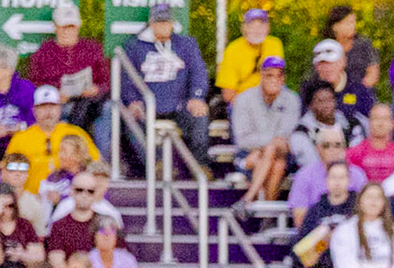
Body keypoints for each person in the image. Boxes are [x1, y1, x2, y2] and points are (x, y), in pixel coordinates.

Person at [106, 5, 209, 168]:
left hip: (179, 105)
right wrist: (133, 101)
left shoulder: (186, 45)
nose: (163, 26)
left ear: (172, 24)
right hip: (147, 107)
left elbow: (198, 72)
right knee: (132, 121)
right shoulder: (133, 47)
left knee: (199, 115)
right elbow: (126, 78)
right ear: (151, 24)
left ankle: (201, 167)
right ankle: (156, 166)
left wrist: (196, 97)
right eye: (158, 22)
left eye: (166, 22)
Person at [26, 3, 107, 130]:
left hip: (87, 103)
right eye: (63, 27)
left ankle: (103, 150)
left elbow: (106, 82)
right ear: (55, 27)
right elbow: (33, 84)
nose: (67, 31)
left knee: (107, 109)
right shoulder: (43, 53)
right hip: (56, 104)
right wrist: (54, 95)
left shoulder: (92, 49)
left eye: (71, 27)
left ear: (78, 27)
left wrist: (95, 90)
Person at [229, 56, 298, 203]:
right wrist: (268, 145)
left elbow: (285, 137)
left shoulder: (292, 99)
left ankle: (248, 200)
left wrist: (265, 147)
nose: (274, 80)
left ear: (283, 78)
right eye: (269, 75)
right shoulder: (243, 99)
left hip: (280, 153)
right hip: (249, 154)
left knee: (274, 154)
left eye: (279, 75)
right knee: (277, 164)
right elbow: (242, 139)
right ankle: (268, 217)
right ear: (261, 76)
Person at [7, 84, 95, 195]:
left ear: (60, 108)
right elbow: (7, 172)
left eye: (52, 106)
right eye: (43, 107)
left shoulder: (76, 133)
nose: (48, 111)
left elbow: (95, 165)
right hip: (30, 199)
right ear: (34, 110)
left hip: (70, 198)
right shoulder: (20, 138)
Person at [214, 6, 281, 104]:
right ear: (244, 28)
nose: (257, 30)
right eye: (252, 26)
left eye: (261, 25)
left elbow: (278, 81)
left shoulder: (275, 44)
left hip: (271, 101)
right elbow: (228, 93)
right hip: (243, 102)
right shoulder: (233, 49)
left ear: (268, 28)